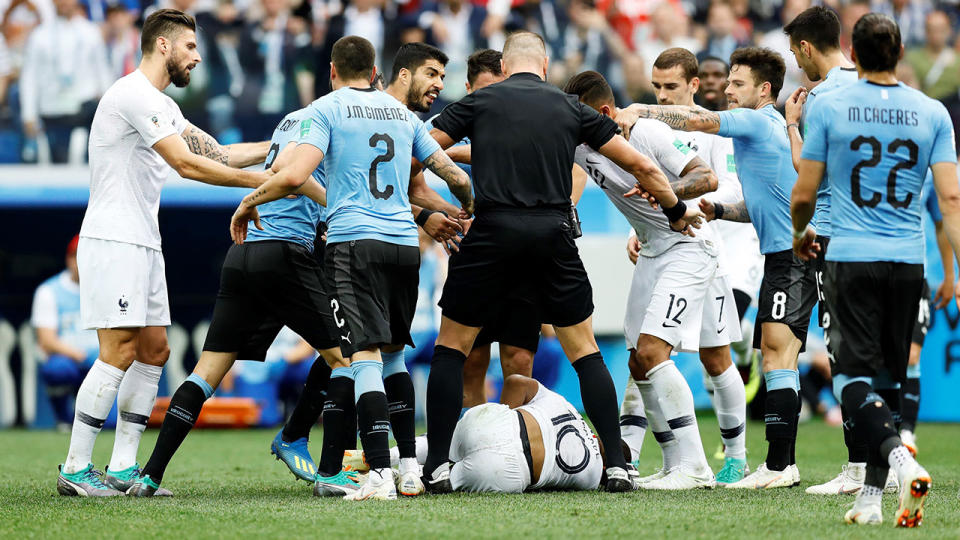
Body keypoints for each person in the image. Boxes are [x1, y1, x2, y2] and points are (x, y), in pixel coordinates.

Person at [422, 30, 704, 494]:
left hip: (490, 231)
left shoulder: (480, 103)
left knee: (452, 349)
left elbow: (423, 151)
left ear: (506, 67)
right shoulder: (571, 109)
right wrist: (675, 212)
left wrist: (432, 210)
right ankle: (617, 464)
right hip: (552, 234)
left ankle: (437, 466)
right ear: (547, 66)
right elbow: (643, 167)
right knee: (585, 351)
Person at [233, 35, 474, 501]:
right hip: (404, 245)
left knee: (362, 357)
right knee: (396, 354)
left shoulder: (326, 109)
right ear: (376, 72)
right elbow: (456, 175)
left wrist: (249, 201)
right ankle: (408, 469)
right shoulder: (405, 116)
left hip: (353, 245)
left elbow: (293, 175)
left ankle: (379, 474)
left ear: (332, 71)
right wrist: (465, 207)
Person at [56, 8, 272, 498]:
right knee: (119, 351)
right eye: (191, 48)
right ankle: (74, 467)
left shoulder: (163, 107)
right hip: (115, 238)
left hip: (143, 242)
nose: (197, 58)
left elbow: (218, 152)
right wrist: (265, 183)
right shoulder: (132, 94)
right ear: (163, 46)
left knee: (155, 350)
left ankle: (124, 467)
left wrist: (286, 142)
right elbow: (187, 165)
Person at [616, 46, 815, 489]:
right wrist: (720, 210)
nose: (727, 90)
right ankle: (639, 453)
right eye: (727, 82)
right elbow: (757, 201)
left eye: (736, 83)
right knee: (765, 353)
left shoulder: (749, 121)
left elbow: (697, 124)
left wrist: (636, 109)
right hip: (721, 246)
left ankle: (768, 464)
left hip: (752, 255)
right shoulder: (762, 128)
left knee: (760, 354)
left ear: (763, 90)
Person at [791, 13, 960, 526]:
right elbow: (950, 196)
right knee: (889, 376)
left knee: (847, 377)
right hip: (908, 260)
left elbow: (804, 191)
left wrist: (801, 235)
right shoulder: (932, 112)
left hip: (849, 254)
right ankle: (870, 499)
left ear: (854, 55)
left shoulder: (830, 105)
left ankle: (898, 459)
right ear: (902, 50)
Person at [566, 69, 740, 490]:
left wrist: (668, 190)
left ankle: (698, 467)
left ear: (605, 112)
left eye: (583, 118)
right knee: (637, 361)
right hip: (652, 250)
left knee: (655, 351)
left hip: (689, 244)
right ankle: (672, 462)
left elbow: (707, 178)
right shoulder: (582, 143)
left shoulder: (647, 133)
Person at [620, 48, 751, 486]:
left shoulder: (714, 130)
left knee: (716, 358)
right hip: (666, 246)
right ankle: (642, 456)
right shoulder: (646, 130)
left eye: (671, 87)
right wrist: (646, 226)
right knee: (645, 352)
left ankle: (736, 457)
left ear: (694, 86)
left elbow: (727, 187)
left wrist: (674, 203)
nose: (661, 95)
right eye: (656, 87)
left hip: (706, 251)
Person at [780, 5, 870, 497]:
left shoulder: (822, 98)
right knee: (877, 352)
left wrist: (793, 124)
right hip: (882, 235)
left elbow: (808, 180)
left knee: (844, 352)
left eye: (797, 54)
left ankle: (860, 468)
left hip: (834, 236)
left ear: (808, 47)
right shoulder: (874, 84)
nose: (798, 65)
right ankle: (880, 457)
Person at [450, 374, 604, 493]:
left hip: (498, 423)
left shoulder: (566, 404)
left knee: (434, 458)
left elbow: (516, 382)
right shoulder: (594, 476)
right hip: (512, 469)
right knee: (436, 481)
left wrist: (500, 424)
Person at [19, 0, 112, 163]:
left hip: (84, 110)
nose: (64, 2)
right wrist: (29, 115)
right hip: (52, 110)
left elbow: (102, 71)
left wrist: (111, 110)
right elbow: (30, 76)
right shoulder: (40, 35)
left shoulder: (90, 32)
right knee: (56, 164)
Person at [31, 235, 102, 430]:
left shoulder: (105, 289)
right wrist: (78, 354)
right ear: (69, 259)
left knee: (109, 423)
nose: (82, 263)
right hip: (68, 360)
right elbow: (46, 340)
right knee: (57, 369)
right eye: (77, 257)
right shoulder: (49, 290)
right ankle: (63, 419)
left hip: (101, 363)